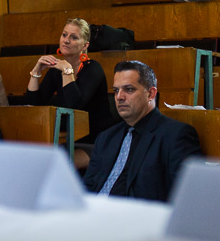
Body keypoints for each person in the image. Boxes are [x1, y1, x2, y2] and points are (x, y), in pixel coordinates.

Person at [83, 61, 201, 203]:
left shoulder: (176, 135)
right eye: (116, 90)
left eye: (129, 89)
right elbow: (87, 188)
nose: (119, 97)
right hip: (94, 211)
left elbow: (186, 196)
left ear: (151, 93)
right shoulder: (106, 137)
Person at [26, 18, 114, 144]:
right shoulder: (56, 70)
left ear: (85, 45)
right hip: (69, 137)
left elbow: (74, 105)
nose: (66, 40)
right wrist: (35, 72)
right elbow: (33, 105)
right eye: (64, 35)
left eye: (73, 37)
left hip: (96, 139)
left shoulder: (93, 68)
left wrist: (67, 70)